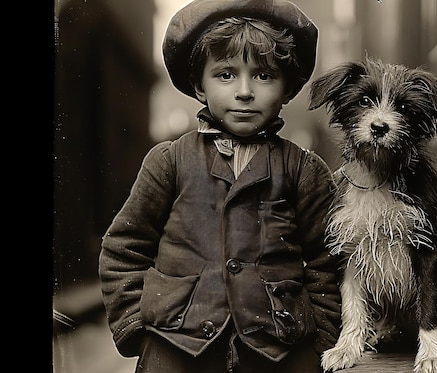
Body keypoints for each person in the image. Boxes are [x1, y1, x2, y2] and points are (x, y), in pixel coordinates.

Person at [98, 1, 341, 372]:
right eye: (226, 75)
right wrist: (138, 327)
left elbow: (328, 262)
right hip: (175, 342)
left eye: (263, 76)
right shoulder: (169, 161)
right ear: (199, 85)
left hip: (279, 347)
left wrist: (321, 338)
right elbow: (123, 249)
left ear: (287, 88)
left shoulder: (303, 170)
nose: (244, 92)